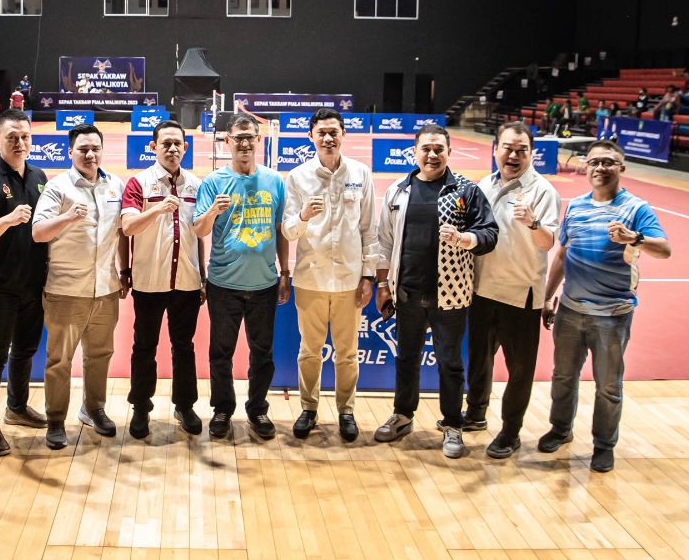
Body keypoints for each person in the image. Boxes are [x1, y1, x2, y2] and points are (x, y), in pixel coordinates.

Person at [540, 139, 671, 473]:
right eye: (594, 162)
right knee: (563, 377)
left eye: (608, 162)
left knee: (609, 386)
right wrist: (546, 297)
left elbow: (664, 249)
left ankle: (603, 445)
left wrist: (635, 238)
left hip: (612, 316)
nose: (600, 168)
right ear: (586, 167)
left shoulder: (637, 209)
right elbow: (562, 254)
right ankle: (560, 429)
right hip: (570, 310)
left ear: (621, 167)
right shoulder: (577, 206)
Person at [373, 123, 497, 459]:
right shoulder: (398, 191)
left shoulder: (465, 191)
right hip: (407, 294)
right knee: (407, 359)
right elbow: (383, 242)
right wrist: (383, 284)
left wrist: (466, 239)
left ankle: (453, 424)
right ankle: (402, 415)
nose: (432, 154)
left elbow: (489, 233)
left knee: (450, 364)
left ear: (449, 153)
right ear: (415, 151)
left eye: (439, 149)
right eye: (426, 148)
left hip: (451, 295)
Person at [465, 122, 562, 458]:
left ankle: (510, 432)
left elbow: (548, 242)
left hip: (521, 296)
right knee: (478, 362)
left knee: (520, 370)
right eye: (508, 147)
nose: (514, 155)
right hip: (481, 290)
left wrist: (533, 223)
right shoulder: (483, 186)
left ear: (531, 153)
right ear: (495, 149)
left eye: (522, 149)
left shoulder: (543, 191)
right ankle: (476, 414)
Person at [280, 109, 377, 442]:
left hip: (350, 282)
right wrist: (304, 215)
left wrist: (369, 276)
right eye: (321, 132)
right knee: (309, 351)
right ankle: (308, 408)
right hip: (310, 280)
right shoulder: (297, 177)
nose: (328, 138)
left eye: (333, 132)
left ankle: (346, 411)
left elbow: (369, 230)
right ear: (311, 136)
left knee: (348, 353)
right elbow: (289, 231)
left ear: (343, 134)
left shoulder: (361, 174)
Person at [31, 123, 130, 450]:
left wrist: (124, 269)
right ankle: (56, 419)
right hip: (65, 292)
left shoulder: (114, 184)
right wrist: (69, 218)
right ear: (70, 152)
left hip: (105, 291)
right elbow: (39, 232)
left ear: (102, 151)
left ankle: (93, 408)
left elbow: (121, 232)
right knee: (59, 360)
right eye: (83, 149)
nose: (90, 154)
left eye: (95, 148)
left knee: (100, 354)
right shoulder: (57, 188)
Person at [192, 113, 290, 441]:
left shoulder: (275, 181)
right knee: (221, 352)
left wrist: (285, 272)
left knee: (262, 353)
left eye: (250, 137)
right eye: (238, 138)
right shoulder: (214, 182)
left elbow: (281, 231)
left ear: (258, 141)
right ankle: (222, 409)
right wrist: (212, 212)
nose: (245, 143)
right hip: (223, 285)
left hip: (264, 284)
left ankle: (258, 409)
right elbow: (199, 230)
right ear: (228, 142)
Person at [0, 108, 50, 455]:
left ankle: (16, 406)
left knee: (27, 350)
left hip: (32, 284)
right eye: (12, 137)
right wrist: (10, 218)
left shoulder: (40, 177)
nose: (19, 142)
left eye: (25, 137)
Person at [120, 120, 206, 438]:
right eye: (165, 143)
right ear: (153, 147)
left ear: (185, 148)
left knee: (184, 347)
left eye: (177, 144)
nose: (172, 149)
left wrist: (203, 278)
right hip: (149, 282)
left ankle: (185, 406)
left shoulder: (197, 185)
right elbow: (128, 227)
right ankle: (141, 407)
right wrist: (157, 210)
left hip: (186, 281)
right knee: (145, 347)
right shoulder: (138, 183)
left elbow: (200, 236)